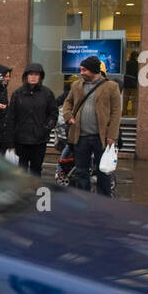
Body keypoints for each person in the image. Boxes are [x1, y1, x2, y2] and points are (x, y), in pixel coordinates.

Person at [61, 55, 121, 197]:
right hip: (80, 136)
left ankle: (104, 202)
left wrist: (112, 135)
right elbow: (67, 103)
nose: (81, 72)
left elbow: (116, 112)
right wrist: (68, 116)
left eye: (84, 70)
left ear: (94, 70)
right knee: (81, 171)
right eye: (81, 69)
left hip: (101, 137)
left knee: (103, 172)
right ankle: (85, 201)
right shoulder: (76, 85)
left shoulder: (111, 87)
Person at [7, 63, 59, 176]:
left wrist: (46, 128)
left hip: (39, 139)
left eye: (36, 74)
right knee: (22, 169)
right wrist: (11, 139)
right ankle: (22, 192)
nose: (33, 77)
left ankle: (35, 191)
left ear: (41, 77)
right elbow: (11, 116)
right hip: (21, 139)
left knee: (36, 169)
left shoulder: (47, 93)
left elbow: (53, 114)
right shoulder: (18, 94)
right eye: (31, 74)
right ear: (26, 76)